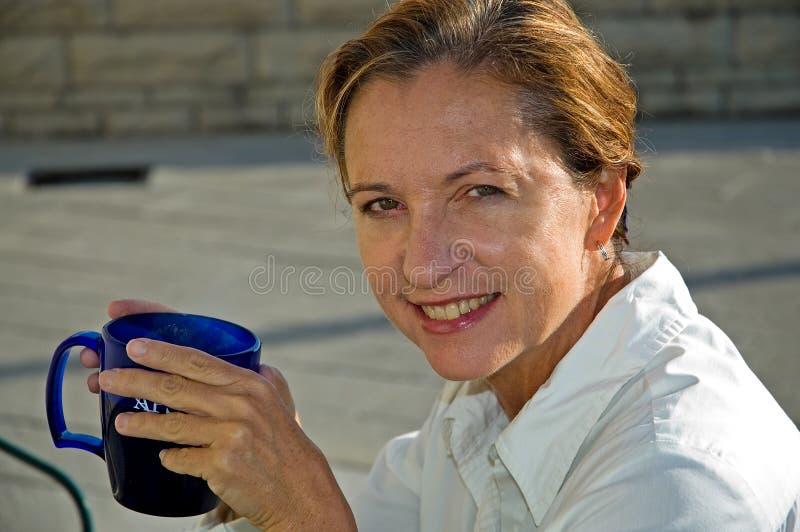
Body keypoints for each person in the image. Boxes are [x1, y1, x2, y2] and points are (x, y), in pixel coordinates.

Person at [80, 0, 800, 530]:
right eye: (382, 204)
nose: (423, 267)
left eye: (480, 192)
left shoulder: (677, 487)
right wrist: (261, 461)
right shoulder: (499, 390)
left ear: (601, 204)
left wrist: (306, 516)